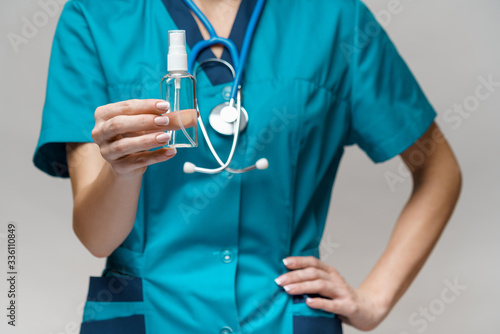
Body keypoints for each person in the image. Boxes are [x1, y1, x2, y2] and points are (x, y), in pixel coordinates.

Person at [33, 0, 462, 333]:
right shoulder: (96, 15)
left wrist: (375, 301)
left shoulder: (333, 16)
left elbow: (438, 170)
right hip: (151, 316)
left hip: (283, 319)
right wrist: (123, 171)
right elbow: (96, 237)